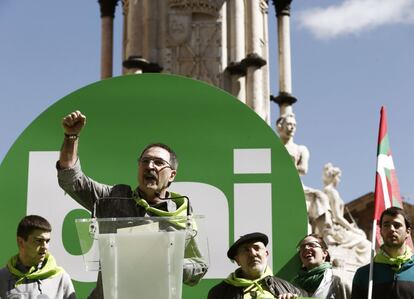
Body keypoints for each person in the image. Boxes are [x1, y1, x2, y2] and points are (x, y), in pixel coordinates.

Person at [56, 110, 207, 298]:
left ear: (172, 175)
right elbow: (70, 179)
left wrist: (170, 262)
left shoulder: (181, 212)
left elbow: (199, 266)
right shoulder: (113, 198)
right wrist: (71, 136)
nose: (150, 166)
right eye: (145, 161)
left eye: (158, 162)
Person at [208, 232, 307, 299]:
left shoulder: (290, 289)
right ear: (237, 260)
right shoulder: (218, 293)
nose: (253, 253)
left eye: (257, 248)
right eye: (246, 250)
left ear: (266, 254)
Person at [0, 215, 76, 298]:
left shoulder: (61, 278)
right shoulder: (2, 278)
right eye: (39, 241)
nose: (45, 247)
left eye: (47, 241)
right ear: (21, 242)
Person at [351, 207, 414, 299]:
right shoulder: (364, 274)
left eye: (397, 225)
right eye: (386, 225)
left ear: (408, 232)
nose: (392, 229)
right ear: (380, 231)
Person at [292, 234, 350, 299]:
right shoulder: (294, 284)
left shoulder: (337, 279)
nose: (306, 248)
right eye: (302, 247)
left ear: (324, 253)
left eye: (312, 245)